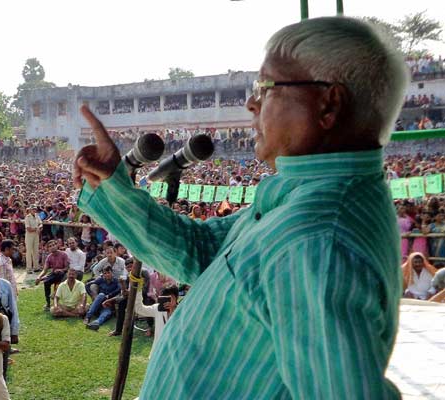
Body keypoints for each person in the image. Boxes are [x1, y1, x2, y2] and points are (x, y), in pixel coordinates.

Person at [73, 17, 408, 398]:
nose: (251, 102)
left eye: (266, 86)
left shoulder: (317, 239)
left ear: (328, 104)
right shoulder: (303, 198)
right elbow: (200, 251)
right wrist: (114, 185)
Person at [35, 239, 69, 310]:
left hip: (63, 274)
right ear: (48, 248)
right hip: (54, 274)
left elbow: (66, 268)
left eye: (53, 245)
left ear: (57, 245)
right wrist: (39, 277)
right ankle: (48, 303)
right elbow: (45, 270)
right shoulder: (49, 257)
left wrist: (61, 270)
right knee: (46, 282)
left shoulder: (64, 254)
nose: (52, 247)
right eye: (50, 246)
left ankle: (55, 294)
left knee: (61, 274)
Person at [84, 266, 120, 331]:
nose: (107, 275)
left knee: (107, 313)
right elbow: (87, 285)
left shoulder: (116, 281)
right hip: (98, 302)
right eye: (105, 273)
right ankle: (88, 316)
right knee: (101, 295)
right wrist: (92, 295)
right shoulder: (101, 279)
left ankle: (95, 323)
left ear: (112, 273)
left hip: (107, 304)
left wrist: (109, 296)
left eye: (108, 272)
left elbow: (119, 289)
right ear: (103, 274)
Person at [24, 205, 42, 272]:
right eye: (33, 209)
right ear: (30, 210)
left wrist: (40, 227)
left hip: (36, 235)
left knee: (36, 251)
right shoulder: (27, 217)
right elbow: (28, 229)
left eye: (35, 209)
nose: (34, 210)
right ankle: (29, 268)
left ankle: (36, 267)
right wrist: (36, 229)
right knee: (29, 252)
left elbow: (41, 223)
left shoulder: (37, 216)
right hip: (29, 236)